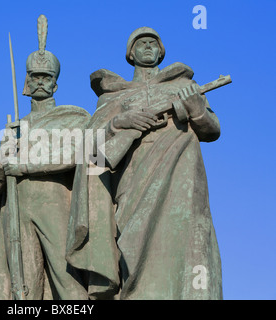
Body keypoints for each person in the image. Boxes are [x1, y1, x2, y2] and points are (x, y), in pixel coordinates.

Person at [66, 27, 223, 299]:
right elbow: (90, 154)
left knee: (189, 249)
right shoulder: (112, 96)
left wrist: (196, 108)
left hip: (183, 182)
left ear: (161, 51)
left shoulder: (182, 86)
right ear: (130, 53)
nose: (148, 47)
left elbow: (212, 130)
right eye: (141, 43)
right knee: (135, 249)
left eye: (153, 43)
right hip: (133, 182)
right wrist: (119, 123)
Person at [0, 15, 91, 300]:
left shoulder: (72, 118)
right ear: (27, 82)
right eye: (36, 77)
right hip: (17, 207)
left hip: (55, 204)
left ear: (56, 84)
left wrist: (24, 165)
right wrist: (1, 164)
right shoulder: (15, 127)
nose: (41, 82)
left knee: (66, 277)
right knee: (24, 286)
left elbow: (75, 155)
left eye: (47, 78)